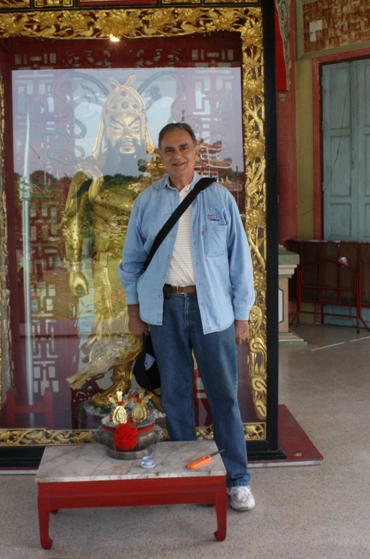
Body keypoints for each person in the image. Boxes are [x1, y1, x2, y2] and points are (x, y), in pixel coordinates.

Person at [118, 122, 256, 511]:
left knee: (224, 396)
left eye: (183, 147)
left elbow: (240, 262)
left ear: (197, 151)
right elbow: (130, 262)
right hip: (164, 310)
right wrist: (134, 311)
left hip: (213, 311)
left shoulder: (219, 199)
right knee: (176, 397)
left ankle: (237, 479)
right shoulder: (146, 201)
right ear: (160, 156)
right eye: (168, 149)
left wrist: (241, 314)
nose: (177, 155)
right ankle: (191, 476)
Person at [60, 76, 155, 409]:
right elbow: (72, 222)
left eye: (134, 126)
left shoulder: (155, 174)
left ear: (143, 127)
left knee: (157, 323)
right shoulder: (88, 176)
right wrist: (75, 267)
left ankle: (154, 386)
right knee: (116, 325)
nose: (127, 135)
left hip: (153, 264)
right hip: (109, 266)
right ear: (106, 128)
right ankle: (119, 383)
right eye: (118, 126)